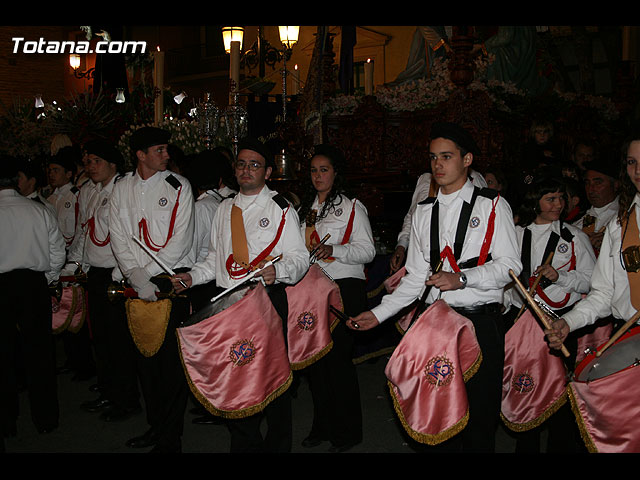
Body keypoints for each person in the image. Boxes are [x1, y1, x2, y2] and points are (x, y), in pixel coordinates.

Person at [348, 122, 522, 452]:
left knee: (479, 420)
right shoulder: (424, 211)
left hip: (479, 322)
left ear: (467, 159)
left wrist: (463, 279)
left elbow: (511, 266)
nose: (438, 165)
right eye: (432, 158)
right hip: (435, 324)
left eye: (446, 156)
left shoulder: (492, 205)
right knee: (439, 416)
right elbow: (415, 277)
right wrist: (378, 313)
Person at [171, 137, 309, 453]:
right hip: (228, 304)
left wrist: (281, 271)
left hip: (264, 302)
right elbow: (213, 259)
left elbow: (299, 259)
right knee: (237, 375)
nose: (247, 170)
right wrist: (191, 277)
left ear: (268, 172)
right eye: (242, 164)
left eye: (255, 165)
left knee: (272, 379)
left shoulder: (280, 209)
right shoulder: (224, 208)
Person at [109, 126, 195, 453]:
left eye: (166, 148)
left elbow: (181, 240)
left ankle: (170, 438)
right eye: (159, 150)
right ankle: (155, 427)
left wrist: (145, 276)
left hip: (167, 281)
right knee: (144, 361)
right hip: (134, 281)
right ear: (140, 155)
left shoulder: (178, 186)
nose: (167, 155)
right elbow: (118, 235)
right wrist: (135, 275)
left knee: (169, 366)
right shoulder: (121, 189)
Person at [504, 174, 595, 452]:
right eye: (551, 198)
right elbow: (504, 280)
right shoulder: (516, 235)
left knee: (559, 391)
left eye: (561, 198)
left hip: (560, 324)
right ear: (535, 202)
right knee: (526, 388)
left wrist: (560, 277)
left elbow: (592, 282)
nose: (559, 203)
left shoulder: (575, 237)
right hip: (523, 326)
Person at [297, 144, 375, 452]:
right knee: (315, 364)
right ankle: (322, 425)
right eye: (314, 170)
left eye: (324, 170)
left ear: (336, 173)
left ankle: (347, 432)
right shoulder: (304, 208)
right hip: (310, 289)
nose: (318, 176)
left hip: (343, 288)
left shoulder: (352, 206)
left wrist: (335, 250)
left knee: (338, 363)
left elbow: (368, 251)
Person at [65, 139, 142, 423]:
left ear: (113, 164)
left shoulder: (123, 190)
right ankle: (109, 390)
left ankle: (126, 398)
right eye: (87, 161)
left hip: (115, 271)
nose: (90, 166)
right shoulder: (88, 191)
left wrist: (123, 273)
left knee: (119, 340)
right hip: (94, 272)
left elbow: (128, 235)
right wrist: (74, 267)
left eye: (97, 161)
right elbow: (84, 234)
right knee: (101, 339)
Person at [547, 133, 640, 354]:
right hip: (629, 337)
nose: (637, 171)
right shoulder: (621, 225)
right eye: (631, 162)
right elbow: (605, 293)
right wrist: (569, 321)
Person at [0, 155, 65, 437]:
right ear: (17, 181)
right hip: (33, 284)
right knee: (39, 353)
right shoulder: (38, 210)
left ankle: (5, 420)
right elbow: (57, 252)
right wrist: (46, 280)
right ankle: (46, 418)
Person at [47, 146, 96, 381]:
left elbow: (78, 231)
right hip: (58, 258)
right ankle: (71, 359)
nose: (52, 175)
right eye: (50, 170)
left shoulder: (75, 195)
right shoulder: (49, 199)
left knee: (75, 312)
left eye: (57, 170)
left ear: (69, 173)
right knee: (61, 310)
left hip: (72, 258)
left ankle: (83, 363)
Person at [390, 166, 487, 273]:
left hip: (459, 262)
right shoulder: (425, 179)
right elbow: (412, 215)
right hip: (424, 256)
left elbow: (484, 215)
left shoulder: (475, 178)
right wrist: (402, 245)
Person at [572, 156, 620, 255]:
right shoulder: (576, 221)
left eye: (598, 183)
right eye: (587, 183)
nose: (591, 189)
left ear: (615, 185)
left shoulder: (625, 216)